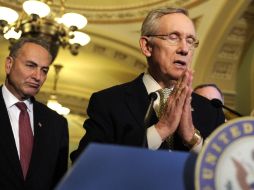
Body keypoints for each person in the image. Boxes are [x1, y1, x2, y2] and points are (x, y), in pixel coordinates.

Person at [71, 7, 225, 162]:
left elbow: (223, 175)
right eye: (173, 37)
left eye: (190, 40)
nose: (184, 49)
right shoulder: (109, 103)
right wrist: (161, 130)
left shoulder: (211, 111)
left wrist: (192, 139)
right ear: (147, 47)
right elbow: (85, 164)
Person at [0, 37, 69, 190]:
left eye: (44, 70)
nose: (38, 77)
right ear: (9, 64)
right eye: (31, 65)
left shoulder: (56, 124)